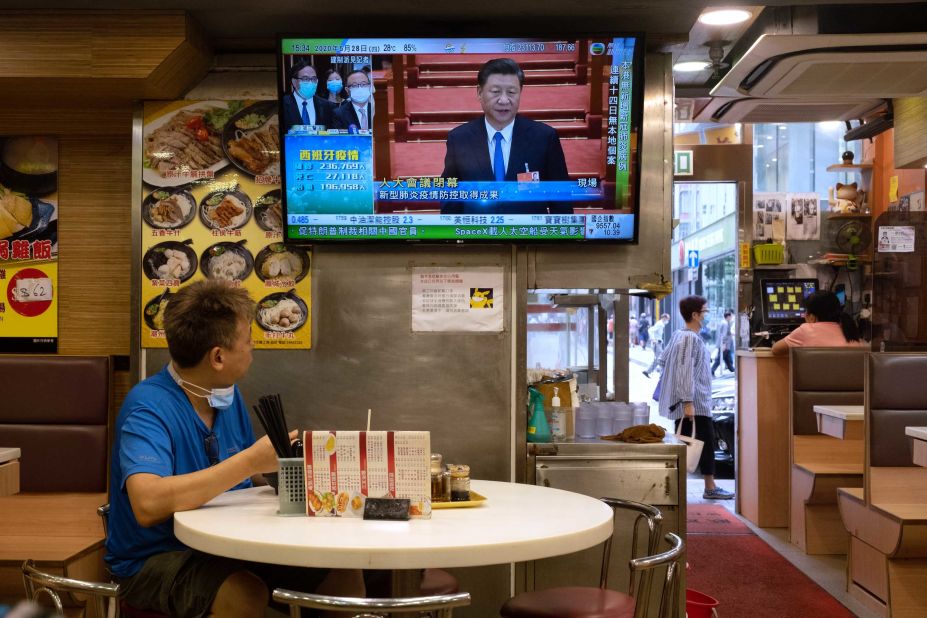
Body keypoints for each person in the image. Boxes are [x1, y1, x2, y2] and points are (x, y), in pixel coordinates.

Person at [105, 280, 363, 617]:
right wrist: (250, 460)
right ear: (218, 356)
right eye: (248, 342)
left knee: (339, 571)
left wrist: (284, 471)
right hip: (154, 558)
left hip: (226, 545)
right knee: (243, 594)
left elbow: (241, 471)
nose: (252, 350)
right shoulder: (148, 408)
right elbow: (148, 503)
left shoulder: (225, 393)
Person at [440, 58, 571, 215]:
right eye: (495, 92)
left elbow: (561, 198)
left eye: (511, 92)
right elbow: (451, 194)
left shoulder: (544, 137)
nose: (504, 100)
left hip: (528, 235)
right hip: (478, 235)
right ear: (479, 93)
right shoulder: (460, 138)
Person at [656, 295, 734, 500]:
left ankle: (681, 486)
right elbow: (684, 370)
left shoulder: (679, 335)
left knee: (687, 444)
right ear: (695, 315)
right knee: (702, 443)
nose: (707, 315)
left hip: (692, 402)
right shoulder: (689, 338)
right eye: (705, 311)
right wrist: (687, 400)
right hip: (694, 404)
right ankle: (708, 486)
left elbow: (663, 360)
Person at [771, 290, 864, 355]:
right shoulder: (849, 328)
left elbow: (776, 350)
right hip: (851, 383)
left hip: (815, 383)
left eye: (806, 311)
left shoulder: (806, 330)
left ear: (812, 317)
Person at [281, 59, 335, 133]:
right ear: (294, 82)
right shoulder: (282, 104)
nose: (310, 82)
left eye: (313, 79)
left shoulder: (328, 107)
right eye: (305, 79)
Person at [643, 313, 670, 378]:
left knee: (658, 359)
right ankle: (662, 374)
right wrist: (653, 339)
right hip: (657, 344)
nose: (668, 320)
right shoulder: (660, 324)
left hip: (658, 343)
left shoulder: (661, 324)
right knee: (662, 358)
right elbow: (650, 330)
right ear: (664, 318)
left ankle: (647, 371)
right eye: (667, 319)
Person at [711, 310, 735, 376]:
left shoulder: (722, 322)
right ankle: (712, 370)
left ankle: (732, 369)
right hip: (725, 345)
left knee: (727, 358)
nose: (731, 317)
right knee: (719, 358)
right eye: (731, 316)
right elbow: (724, 335)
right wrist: (723, 344)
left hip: (725, 344)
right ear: (728, 316)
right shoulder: (725, 324)